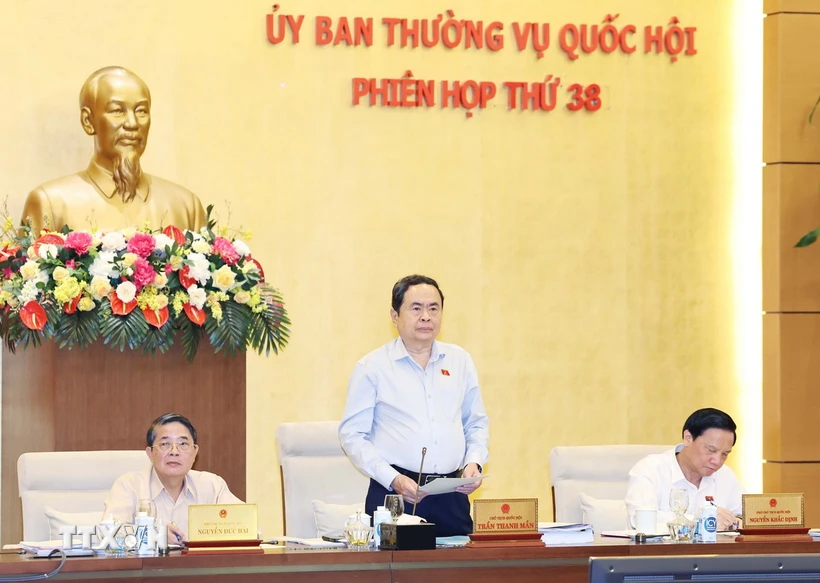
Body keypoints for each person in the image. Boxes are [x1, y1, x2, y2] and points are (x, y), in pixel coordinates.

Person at [338, 274, 489, 536]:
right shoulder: (372, 367)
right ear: (395, 316)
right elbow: (352, 436)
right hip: (395, 495)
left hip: (451, 494)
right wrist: (393, 479)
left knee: (458, 573)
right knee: (396, 575)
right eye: (416, 308)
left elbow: (475, 423)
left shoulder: (459, 361)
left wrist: (474, 463)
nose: (426, 316)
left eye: (434, 308)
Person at [21, 66, 205, 234]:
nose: (132, 123)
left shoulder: (186, 206)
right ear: (88, 121)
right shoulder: (50, 203)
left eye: (141, 111)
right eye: (117, 111)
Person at [102, 413, 242, 542]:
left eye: (183, 444)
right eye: (165, 444)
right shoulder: (129, 485)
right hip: (147, 568)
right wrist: (155, 534)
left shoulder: (212, 485)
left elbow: (246, 526)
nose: (174, 452)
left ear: (195, 452)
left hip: (198, 567)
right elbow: (109, 533)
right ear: (150, 453)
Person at [625, 407, 745, 531]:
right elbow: (640, 521)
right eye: (711, 450)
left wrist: (738, 521)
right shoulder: (650, 469)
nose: (717, 461)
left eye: (725, 454)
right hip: (658, 550)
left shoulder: (725, 475)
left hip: (712, 551)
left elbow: (744, 515)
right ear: (688, 438)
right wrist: (702, 520)